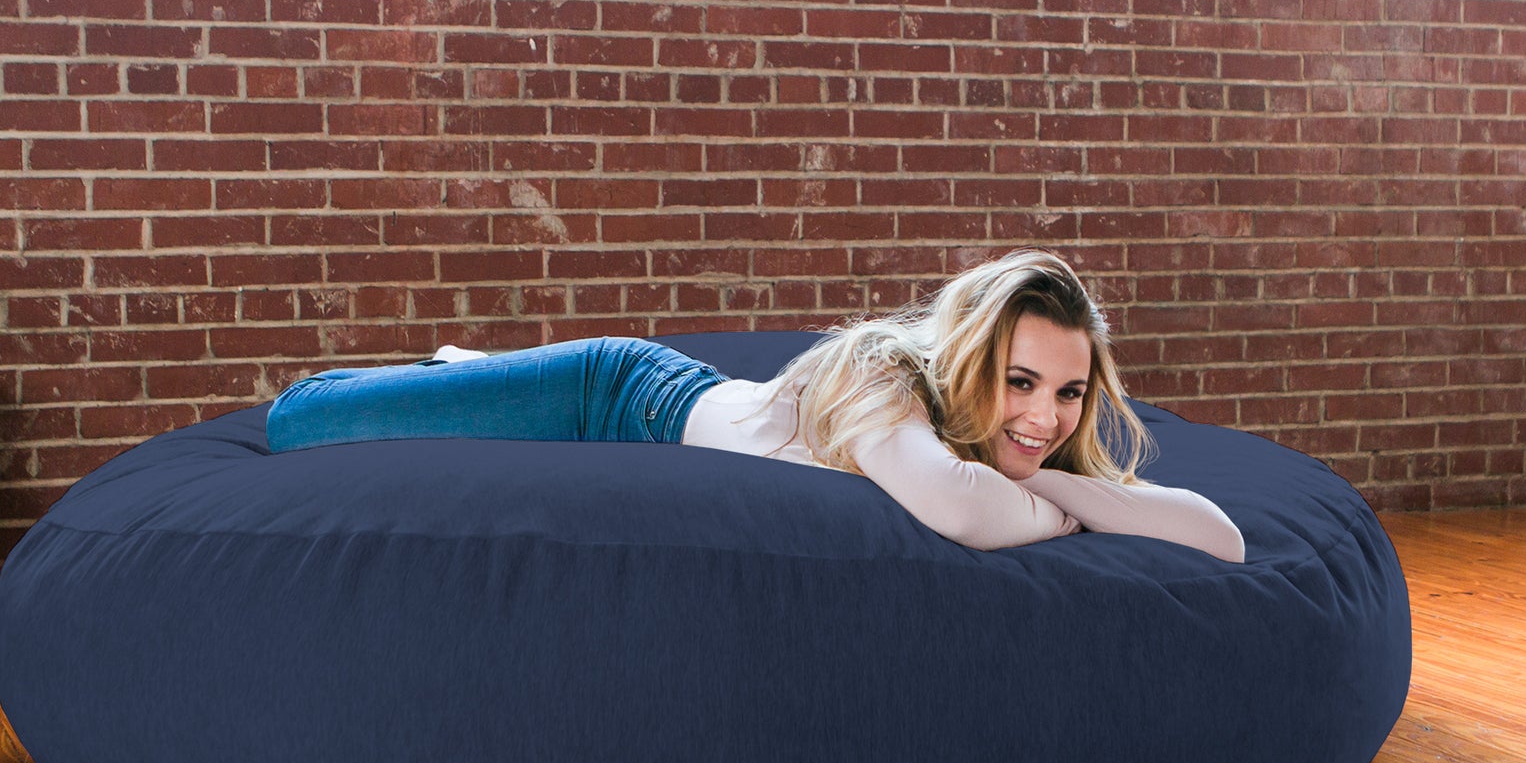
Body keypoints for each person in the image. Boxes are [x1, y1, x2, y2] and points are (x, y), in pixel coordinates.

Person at [266, 249, 1245, 562]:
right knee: (304, 419)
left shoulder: (1026, 451)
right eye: (1020, 382)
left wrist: (1066, 489)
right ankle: (466, 372)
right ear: (971, 359)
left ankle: (474, 375)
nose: (1045, 419)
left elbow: (1222, 538)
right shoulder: (883, 372)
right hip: (617, 395)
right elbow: (957, 508)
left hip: (683, 409)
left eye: (1070, 392)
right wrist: (1071, 510)